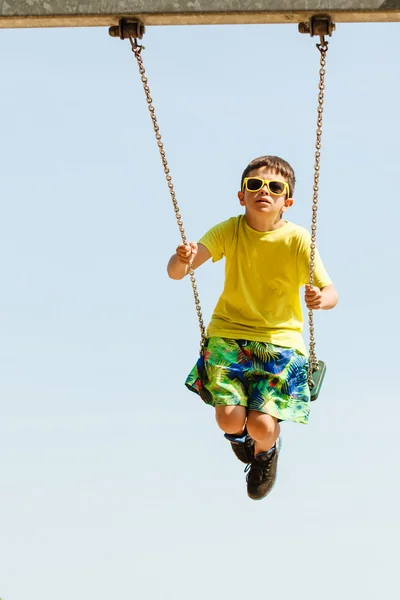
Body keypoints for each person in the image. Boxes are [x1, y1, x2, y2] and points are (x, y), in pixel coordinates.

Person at [167, 155, 338, 501]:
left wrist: (320, 298)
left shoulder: (298, 240)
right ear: (241, 195)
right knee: (230, 419)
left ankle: (264, 454)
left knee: (262, 425)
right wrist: (182, 258)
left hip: (280, 341)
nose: (264, 191)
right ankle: (240, 438)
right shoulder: (230, 230)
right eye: (255, 185)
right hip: (228, 333)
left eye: (275, 187)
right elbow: (177, 271)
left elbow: (331, 291)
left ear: (286, 202)